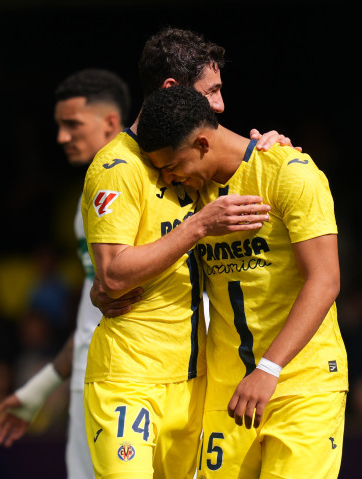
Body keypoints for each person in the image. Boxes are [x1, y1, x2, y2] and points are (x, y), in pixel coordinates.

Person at [81, 27, 292, 479]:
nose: (220, 105)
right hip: (130, 376)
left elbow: (246, 159)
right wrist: (198, 226)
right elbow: (113, 275)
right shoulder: (117, 167)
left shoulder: (196, 161)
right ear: (172, 89)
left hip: (194, 381)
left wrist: (273, 149)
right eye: (210, 91)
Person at [136, 85, 348, 479]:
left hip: (302, 384)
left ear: (203, 143)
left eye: (173, 165)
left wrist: (269, 368)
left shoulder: (289, 172)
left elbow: (325, 280)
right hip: (227, 389)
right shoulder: (191, 196)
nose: (169, 177)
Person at [0, 68, 140, 479]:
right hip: (89, 379)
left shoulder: (146, 184)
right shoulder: (87, 196)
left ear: (110, 122)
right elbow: (94, 317)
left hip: (137, 384)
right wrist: (40, 387)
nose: (61, 137)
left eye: (72, 125)